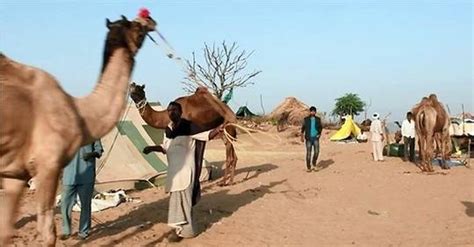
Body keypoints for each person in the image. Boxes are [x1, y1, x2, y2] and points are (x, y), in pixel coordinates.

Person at [143, 101, 223, 241]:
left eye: (174, 110)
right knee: (176, 201)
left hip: (186, 170)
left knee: (185, 200)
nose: (171, 112)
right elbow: (165, 147)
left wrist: (218, 129)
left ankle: (187, 231)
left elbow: (206, 135)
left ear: (180, 112)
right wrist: (151, 148)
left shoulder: (189, 127)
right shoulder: (168, 129)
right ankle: (179, 229)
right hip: (174, 171)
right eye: (169, 110)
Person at [61, 140, 103, 240]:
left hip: (86, 175)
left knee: (85, 205)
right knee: (65, 204)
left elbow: (99, 151)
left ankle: (83, 231)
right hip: (69, 175)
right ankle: (66, 231)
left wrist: (91, 154)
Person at [300, 106, 323, 172]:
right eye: (311, 111)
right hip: (308, 139)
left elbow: (320, 128)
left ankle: (314, 164)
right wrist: (301, 136)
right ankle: (308, 167)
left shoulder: (318, 119)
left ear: (315, 112)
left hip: (315, 138)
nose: (313, 112)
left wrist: (319, 134)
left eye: (314, 111)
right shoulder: (306, 119)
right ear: (310, 112)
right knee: (309, 153)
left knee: (316, 152)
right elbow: (303, 128)